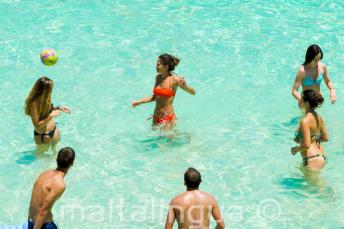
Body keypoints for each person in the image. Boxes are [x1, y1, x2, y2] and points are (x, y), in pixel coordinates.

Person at [132, 54, 195, 129]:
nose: (156, 66)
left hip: (167, 119)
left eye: (158, 64)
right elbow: (155, 97)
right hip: (156, 117)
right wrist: (139, 102)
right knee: (156, 140)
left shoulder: (175, 80)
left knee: (169, 140)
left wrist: (186, 86)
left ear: (166, 67)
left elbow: (193, 93)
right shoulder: (158, 78)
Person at [28, 147, 75, 229]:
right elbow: (43, 211)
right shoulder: (60, 184)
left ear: (57, 159)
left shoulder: (44, 173)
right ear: (72, 164)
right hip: (42, 226)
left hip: (31, 221)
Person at [25, 77, 71, 150]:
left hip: (50, 131)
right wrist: (52, 115)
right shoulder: (33, 104)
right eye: (50, 89)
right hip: (42, 135)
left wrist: (59, 107)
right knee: (44, 157)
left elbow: (45, 111)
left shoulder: (44, 99)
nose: (51, 91)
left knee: (53, 154)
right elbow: (37, 125)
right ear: (44, 90)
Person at [291, 90, 329, 170]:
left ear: (307, 104)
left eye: (301, 99)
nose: (299, 100)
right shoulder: (319, 117)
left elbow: (307, 145)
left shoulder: (305, 121)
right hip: (321, 155)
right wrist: (311, 138)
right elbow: (325, 138)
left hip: (312, 159)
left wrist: (295, 149)